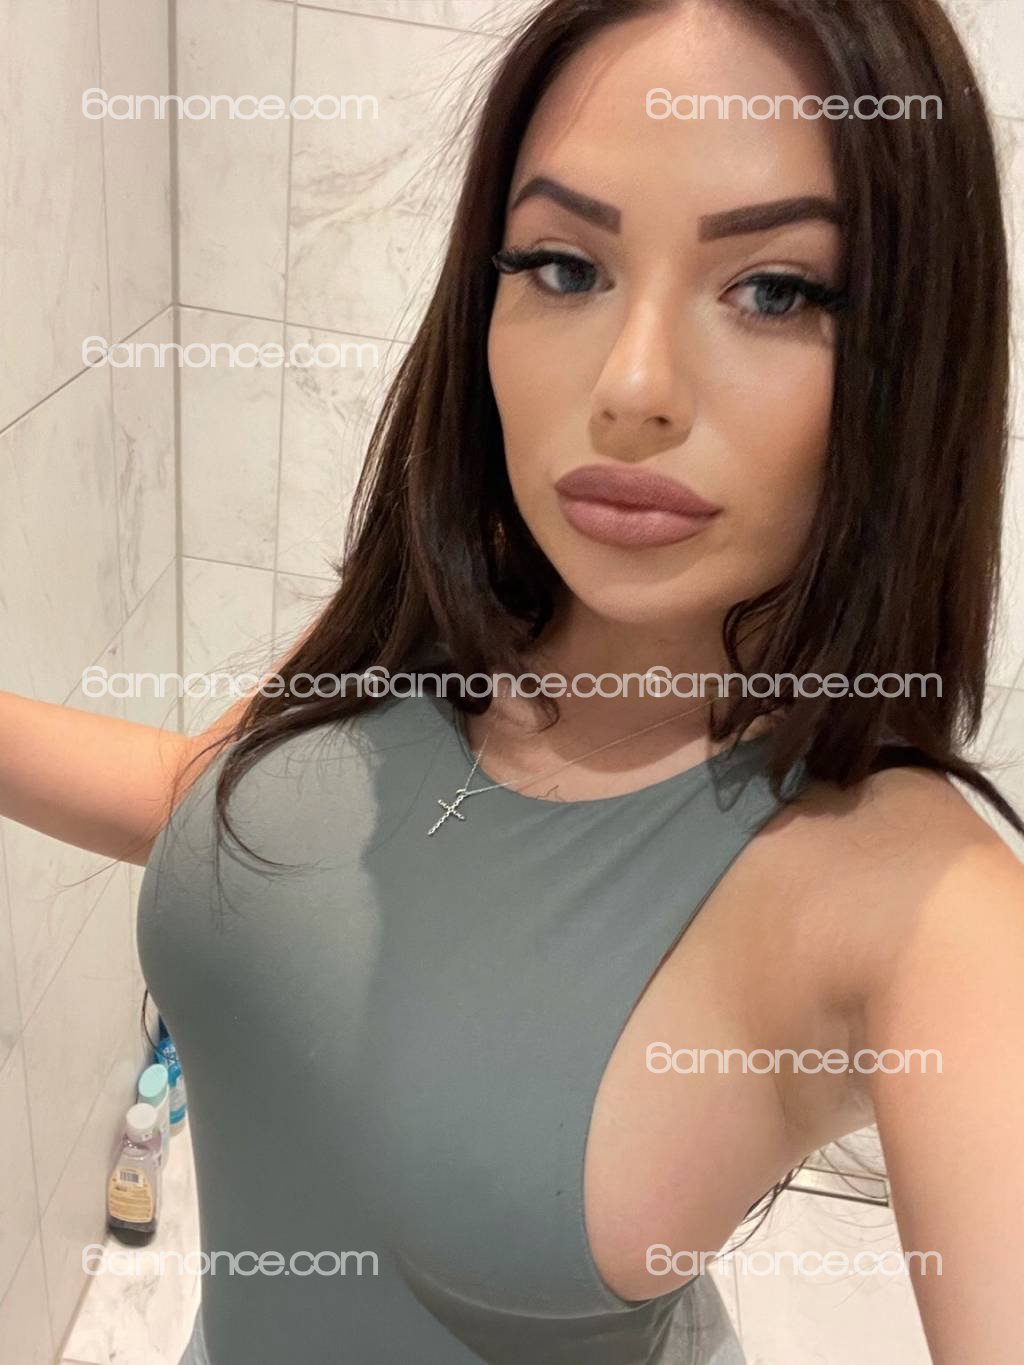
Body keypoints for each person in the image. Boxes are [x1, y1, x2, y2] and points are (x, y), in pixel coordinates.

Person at [4, 0, 1024, 1361]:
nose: (634, 384)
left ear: (917, 356)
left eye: (777, 290)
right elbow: (201, 802)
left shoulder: (919, 903)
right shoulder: (445, 612)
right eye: (563, 264)